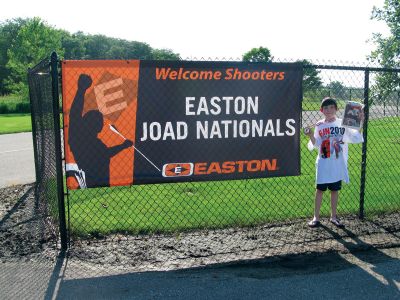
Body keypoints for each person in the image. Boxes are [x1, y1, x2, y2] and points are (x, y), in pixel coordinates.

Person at [304, 97, 364, 228]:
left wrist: (361, 121)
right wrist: (310, 135)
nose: (329, 110)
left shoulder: (342, 123)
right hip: (324, 162)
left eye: (331, 107)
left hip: (337, 162)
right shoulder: (319, 125)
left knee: (334, 190)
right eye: (326, 108)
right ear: (321, 110)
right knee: (319, 190)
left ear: (336, 109)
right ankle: (316, 217)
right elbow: (316, 144)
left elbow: (354, 136)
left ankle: (334, 217)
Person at [69, 74, 133, 188]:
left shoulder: (92, 141)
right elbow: (74, 115)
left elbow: (106, 153)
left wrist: (123, 145)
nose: (101, 124)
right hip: (90, 183)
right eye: (98, 121)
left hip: (101, 182)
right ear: (88, 124)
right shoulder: (78, 139)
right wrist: (81, 90)